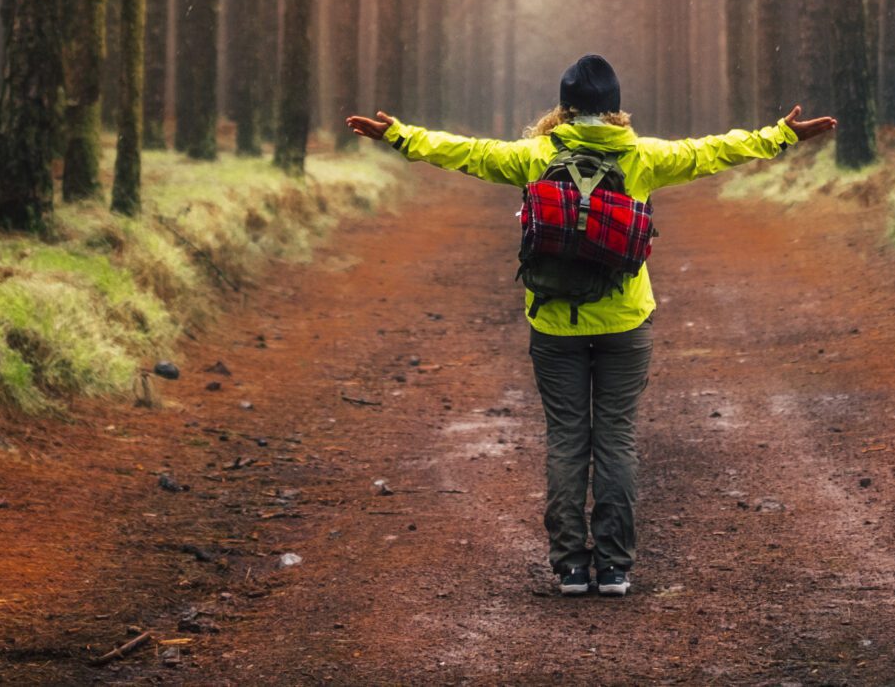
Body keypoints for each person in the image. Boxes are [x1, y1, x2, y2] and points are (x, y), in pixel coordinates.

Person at [345, 53, 835, 596]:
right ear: (616, 109)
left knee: (566, 441)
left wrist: (401, 137)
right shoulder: (643, 157)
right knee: (617, 440)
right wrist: (781, 136)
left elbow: (466, 152)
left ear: (564, 108)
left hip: (555, 324)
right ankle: (617, 567)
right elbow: (716, 150)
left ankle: (572, 568)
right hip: (626, 321)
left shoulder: (535, 156)